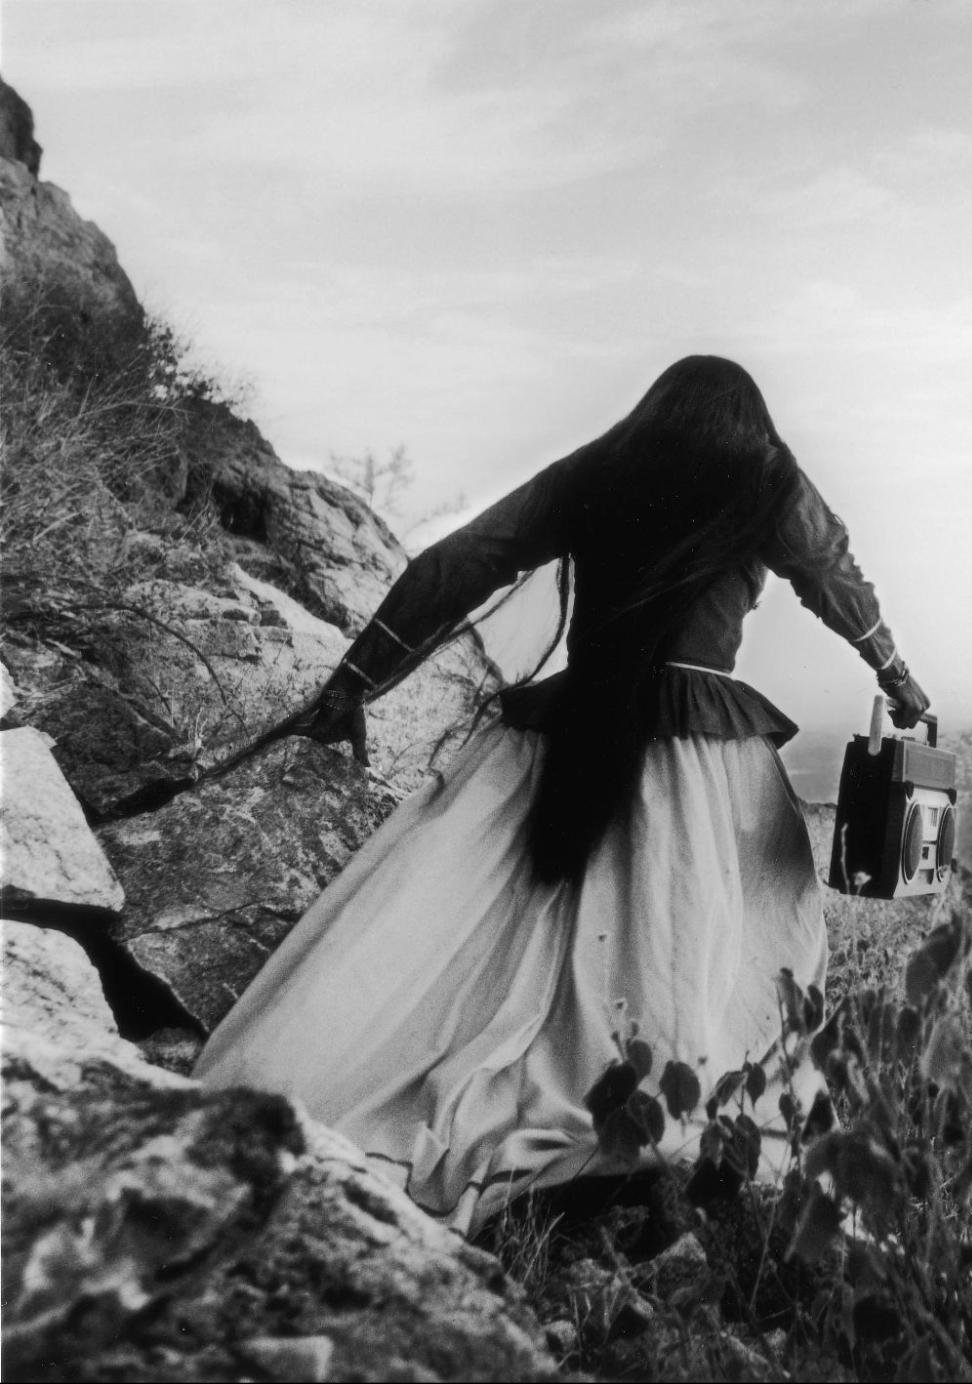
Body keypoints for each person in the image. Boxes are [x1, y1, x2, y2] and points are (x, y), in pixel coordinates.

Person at [193, 356, 929, 1232]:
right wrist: (899, 679)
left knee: (477, 920)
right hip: (699, 753)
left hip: (566, 730)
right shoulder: (765, 476)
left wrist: (357, 678)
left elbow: (464, 559)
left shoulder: (601, 467)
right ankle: (668, 1110)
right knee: (726, 932)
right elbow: (833, 575)